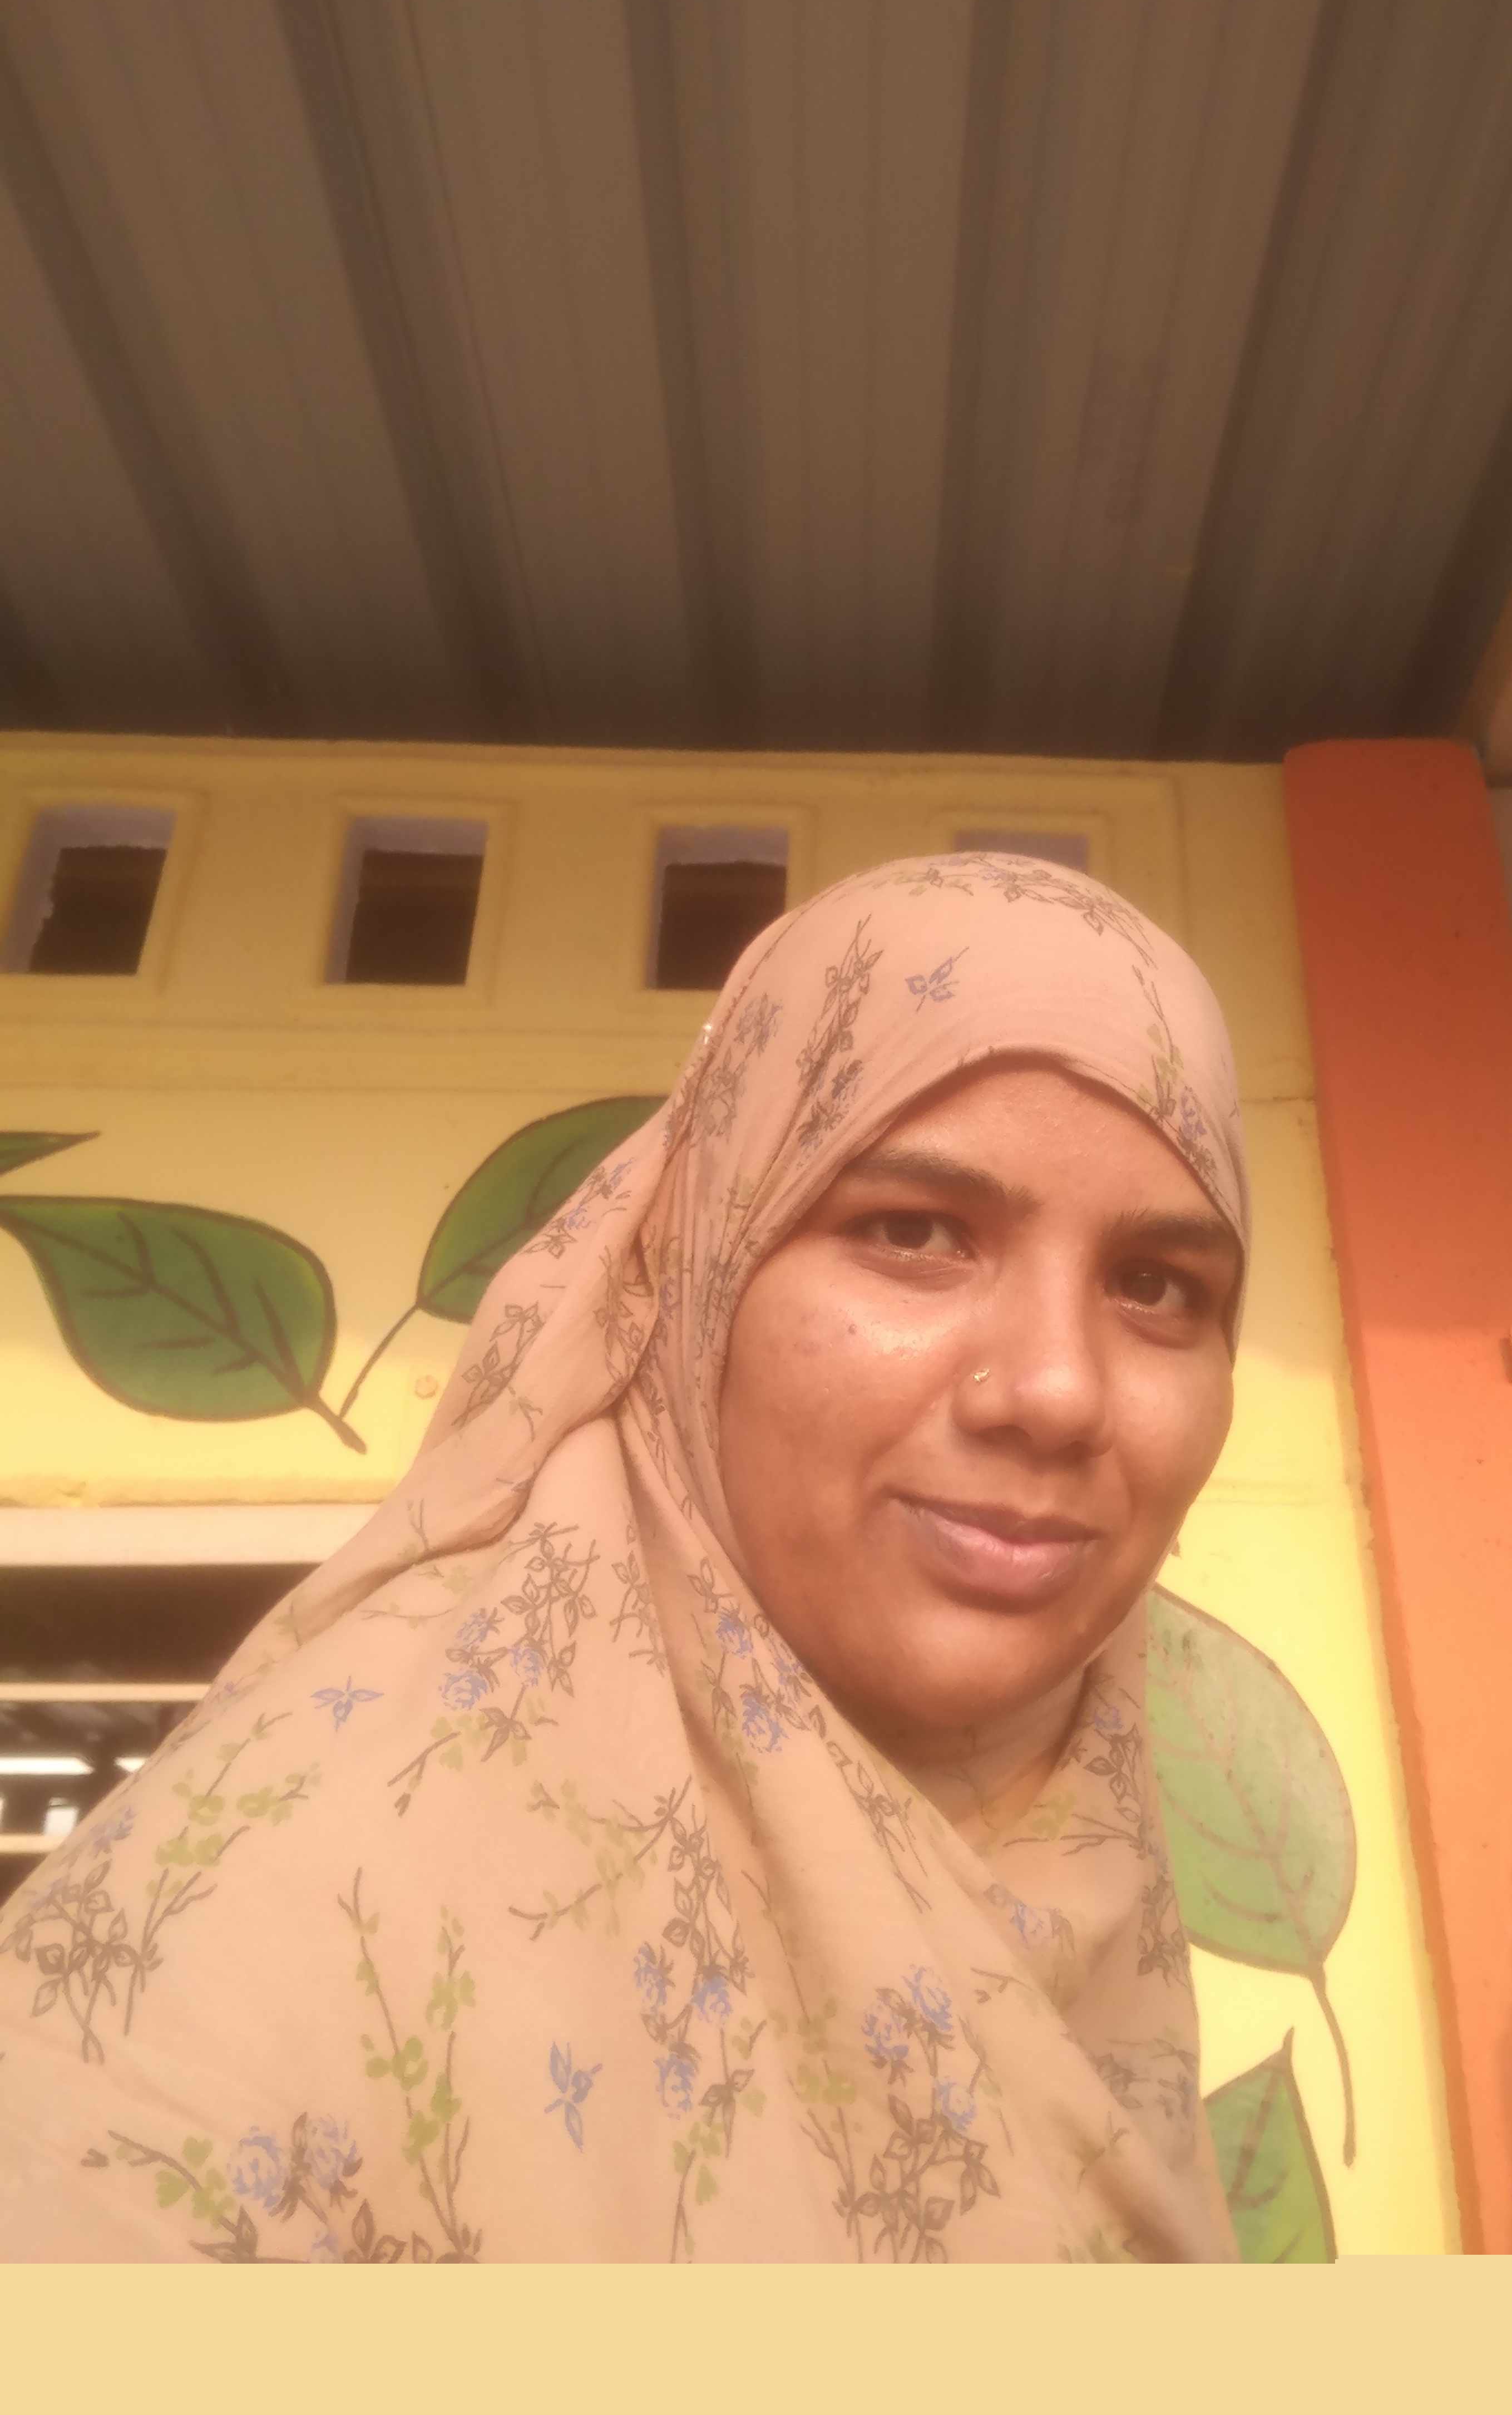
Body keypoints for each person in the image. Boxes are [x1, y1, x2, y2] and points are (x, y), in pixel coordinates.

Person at [0, 851, 1250, 2262]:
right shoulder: (285, 1919)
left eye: (1158, 1286)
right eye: (914, 1232)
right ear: (697, 1275)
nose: (1060, 1391)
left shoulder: (1087, 1874)